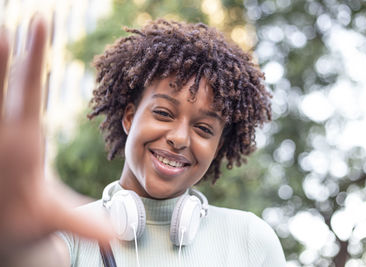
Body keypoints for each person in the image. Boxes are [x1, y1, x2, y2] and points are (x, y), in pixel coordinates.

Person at [0, 15, 286, 266]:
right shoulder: (68, 235)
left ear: (218, 147)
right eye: (163, 113)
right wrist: (14, 241)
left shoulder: (252, 241)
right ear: (129, 118)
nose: (179, 138)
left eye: (204, 129)